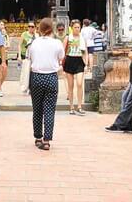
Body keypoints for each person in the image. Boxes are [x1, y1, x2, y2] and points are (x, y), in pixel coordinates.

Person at [27, 17, 64, 150]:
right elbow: (61, 58)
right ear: (52, 29)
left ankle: (38, 137)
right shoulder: (57, 43)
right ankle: (47, 140)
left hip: (36, 77)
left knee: (37, 109)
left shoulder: (34, 43)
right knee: (49, 109)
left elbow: (29, 58)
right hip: (51, 78)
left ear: (40, 29)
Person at [62, 20, 87, 115]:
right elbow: (62, 51)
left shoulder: (82, 38)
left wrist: (87, 63)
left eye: (78, 27)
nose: (77, 29)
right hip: (69, 60)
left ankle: (80, 106)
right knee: (70, 86)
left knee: (80, 83)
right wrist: (61, 63)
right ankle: (71, 107)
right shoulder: (68, 38)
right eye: (75, 27)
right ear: (72, 28)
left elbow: (85, 51)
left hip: (79, 61)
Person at [18, 21, 36, 95]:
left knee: (32, 73)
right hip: (25, 55)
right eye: (29, 26)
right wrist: (19, 55)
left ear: (35, 27)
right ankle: (25, 86)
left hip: (34, 56)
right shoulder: (24, 34)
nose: (30, 28)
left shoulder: (36, 35)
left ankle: (31, 88)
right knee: (25, 72)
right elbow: (19, 45)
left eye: (32, 26)